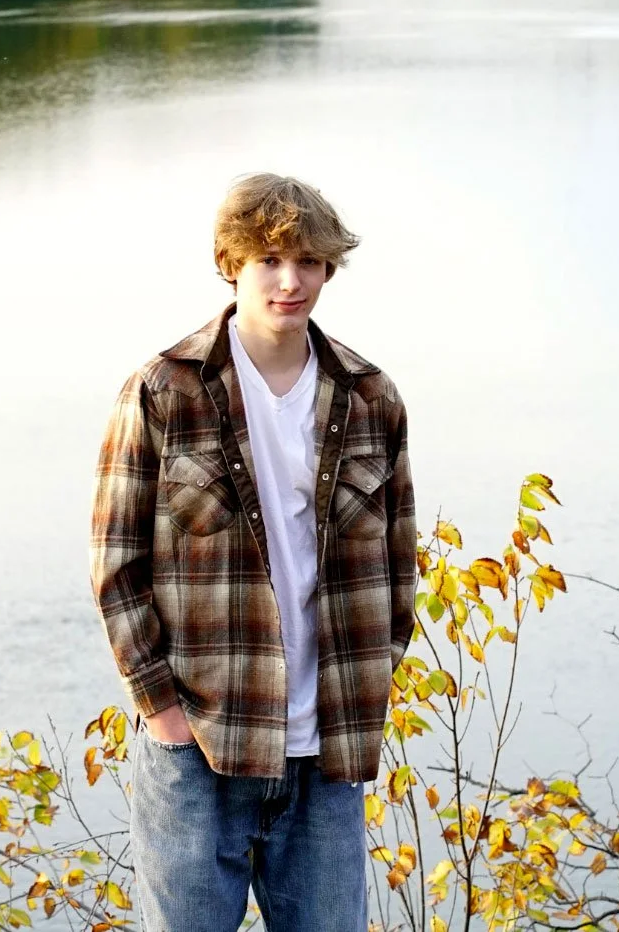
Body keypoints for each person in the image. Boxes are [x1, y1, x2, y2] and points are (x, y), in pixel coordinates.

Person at [89, 172, 417, 932]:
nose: (289, 280)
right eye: (269, 260)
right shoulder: (163, 393)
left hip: (325, 760)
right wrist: (162, 711)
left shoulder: (372, 398)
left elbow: (400, 563)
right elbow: (115, 562)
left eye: (308, 261)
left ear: (329, 268)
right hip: (199, 749)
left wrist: (369, 677)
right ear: (229, 263)